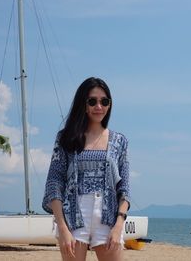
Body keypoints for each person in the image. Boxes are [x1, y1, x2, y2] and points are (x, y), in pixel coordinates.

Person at [42, 77, 130, 261]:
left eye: (104, 101)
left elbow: (124, 188)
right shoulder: (66, 138)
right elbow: (54, 183)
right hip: (74, 216)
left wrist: (118, 225)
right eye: (92, 101)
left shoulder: (119, 142)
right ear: (83, 104)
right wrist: (63, 229)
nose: (99, 106)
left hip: (108, 218)